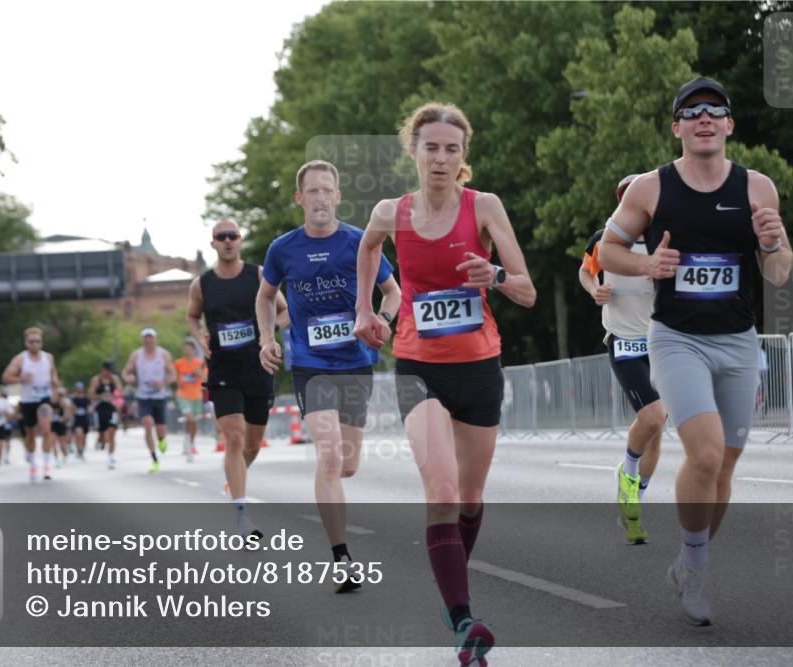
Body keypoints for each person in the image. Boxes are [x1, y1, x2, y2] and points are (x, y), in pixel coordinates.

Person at [599, 76, 793, 626]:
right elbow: (608, 251)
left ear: (729, 124)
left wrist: (774, 242)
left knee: (725, 466)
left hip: (737, 341)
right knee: (704, 453)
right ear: (677, 127)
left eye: (715, 110)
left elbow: (778, 274)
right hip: (676, 339)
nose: (703, 117)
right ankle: (699, 576)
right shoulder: (649, 190)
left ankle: (689, 563)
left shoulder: (759, 188)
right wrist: (647, 265)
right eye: (691, 111)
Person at [354, 102, 536, 666]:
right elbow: (367, 247)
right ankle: (463, 620)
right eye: (430, 147)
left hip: (479, 364)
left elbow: (527, 290)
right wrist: (366, 308)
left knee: (471, 498)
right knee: (443, 490)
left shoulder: (485, 207)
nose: (440, 158)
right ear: (413, 151)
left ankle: (453, 587)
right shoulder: (391, 211)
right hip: (418, 363)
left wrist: (497, 275)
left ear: (464, 157)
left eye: (451, 149)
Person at [257, 159, 402, 593]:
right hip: (309, 365)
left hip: (355, 361)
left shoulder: (361, 242)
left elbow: (392, 291)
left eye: (327, 190)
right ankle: (342, 559)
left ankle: (340, 537)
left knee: (350, 465)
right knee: (330, 457)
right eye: (312, 192)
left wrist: (384, 319)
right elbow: (266, 297)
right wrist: (267, 338)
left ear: (338, 196)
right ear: (300, 199)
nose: (320, 198)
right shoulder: (283, 249)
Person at [187, 218, 290, 537]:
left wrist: (269, 336)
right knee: (233, 436)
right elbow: (192, 315)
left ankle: (235, 479)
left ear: (240, 240)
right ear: (213, 243)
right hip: (223, 371)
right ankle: (242, 515)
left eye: (233, 236)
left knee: (253, 442)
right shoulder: (201, 284)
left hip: (258, 368)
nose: (228, 241)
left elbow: (284, 311)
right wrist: (198, 335)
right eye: (222, 237)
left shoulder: (258, 275)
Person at [579, 174, 667, 544]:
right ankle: (627, 470)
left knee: (656, 430)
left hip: (661, 341)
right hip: (625, 341)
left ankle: (634, 505)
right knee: (653, 417)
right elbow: (585, 271)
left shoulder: (664, 241)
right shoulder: (604, 241)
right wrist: (595, 289)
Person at [1, 326, 61, 481]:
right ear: (26, 343)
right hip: (28, 400)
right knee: (30, 435)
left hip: (44, 399)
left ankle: (47, 466)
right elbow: (6, 377)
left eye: (38, 341)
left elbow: (54, 375)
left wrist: (55, 384)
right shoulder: (21, 359)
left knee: (47, 429)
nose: (35, 344)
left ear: (41, 342)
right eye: (31, 342)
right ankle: (33, 463)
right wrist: (21, 379)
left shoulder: (48, 357)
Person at [122, 327, 177, 473]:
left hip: (160, 396)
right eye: (146, 337)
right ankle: (154, 459)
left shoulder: (164, 354)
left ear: (155, 339)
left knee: (160, 430)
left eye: (151, 337)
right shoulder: (136, 355)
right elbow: (125, 372)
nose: (148, 340)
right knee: (147, 424)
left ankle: (162, 440)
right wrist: (130, 378)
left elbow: (173, 375)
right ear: (143, 339)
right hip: (143, 396)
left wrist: (164, 383)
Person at [174, 341, 207, 463]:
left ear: (194, 350)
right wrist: (180, 381)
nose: (187, 351)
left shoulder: (199, 363)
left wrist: (200, 373)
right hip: (183, 395)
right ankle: (188, 443)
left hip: (196, 396)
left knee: (193, 422)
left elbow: (205, 379)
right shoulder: (178, 363)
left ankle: (190, 442)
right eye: (186, 348)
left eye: (190, 349)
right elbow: (176, 379)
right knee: (190, 418)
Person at [90, 360, 124, 469]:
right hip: (100, 409)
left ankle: (111, 457)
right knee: (102, 435)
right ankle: (100, 440)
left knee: (112, 432)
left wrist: (116, 399)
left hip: (111, 408)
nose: (109, 373)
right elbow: (91, 394)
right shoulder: (96, 380)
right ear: (103, 369)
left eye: (111, 370)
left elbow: (120, 393)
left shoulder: (114, 379)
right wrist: (101, 397)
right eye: (108, 370)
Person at [51, 387, 74, 467]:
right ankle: (56, 459)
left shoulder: (63, 402)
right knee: (53, 442)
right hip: (52, 424)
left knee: (62, 442)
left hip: (60, 424)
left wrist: (62, 419)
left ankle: (65, 456)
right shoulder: (50, 402)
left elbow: (67, 413)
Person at [70, 381, 91, 460]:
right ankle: (78, 449)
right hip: (77, 419)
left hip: (85, 419)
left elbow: (90, 407)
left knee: (84, 437)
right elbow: (71, 408)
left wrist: (89, 410)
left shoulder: (86, 398)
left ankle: (82, 450)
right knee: (79, 434)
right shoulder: (74, 398)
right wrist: (73, 410)